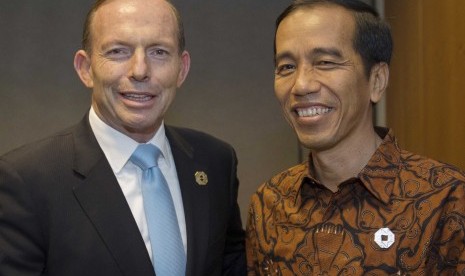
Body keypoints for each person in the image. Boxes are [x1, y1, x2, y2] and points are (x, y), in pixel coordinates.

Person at [0, 0, 246, 275]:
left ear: (182, 68)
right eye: (118, 51)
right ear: (85, 68)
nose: (140, 70)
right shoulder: (25, 180)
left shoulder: (215, 161)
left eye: (159, 52)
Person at [246, 0, 465, 274]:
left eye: (325, 62)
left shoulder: (446, 198)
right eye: (287, 67)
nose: (301, 85)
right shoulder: (269, 203)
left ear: (376, 81)